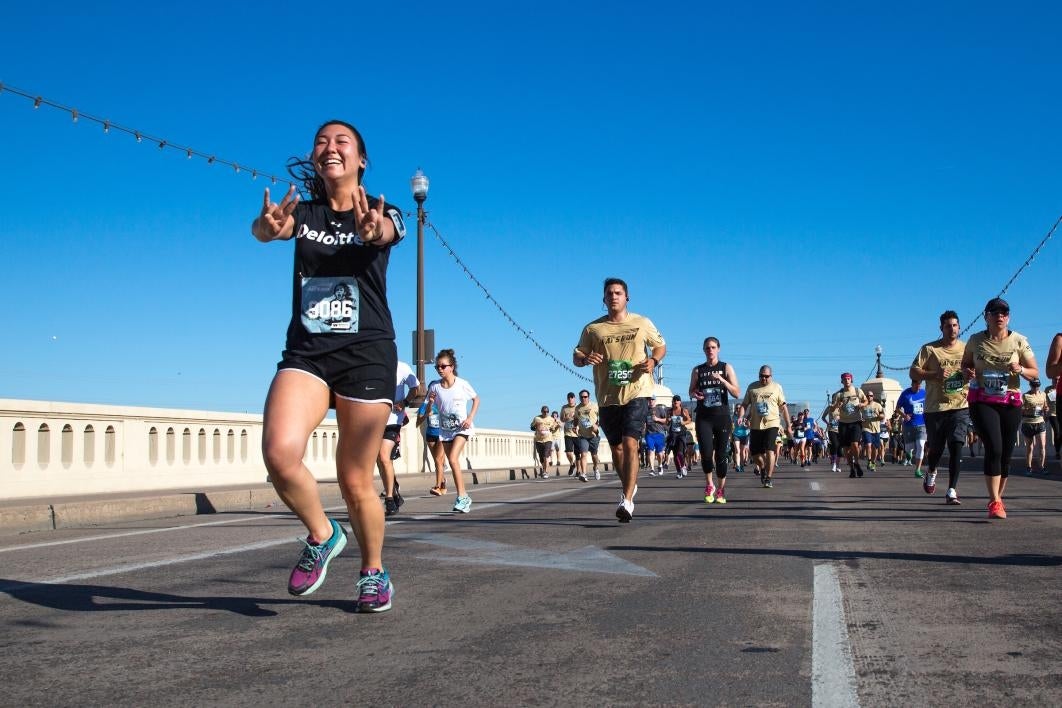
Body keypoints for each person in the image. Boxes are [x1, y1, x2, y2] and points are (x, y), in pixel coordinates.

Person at [252, 119, 405, 612]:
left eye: (342, 141)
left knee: (354, 478)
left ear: (361, 160)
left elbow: (386, 230)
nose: (330, 146)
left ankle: (373, 572)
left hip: (366, 353)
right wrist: (265, 228)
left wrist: (372, 228)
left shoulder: (385, 211)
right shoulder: (306, 212)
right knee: (279, 452)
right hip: (308, 352)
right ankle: (323, 533)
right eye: (322, 141)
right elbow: (267, 231)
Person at [573, 278, 666, 522]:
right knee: (616, 447)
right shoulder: (593, 329)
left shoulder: (642, 323)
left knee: (631, 443)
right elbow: (577, 354)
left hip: (637, 391)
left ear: (627, 298)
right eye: (609, 294)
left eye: (618, 293)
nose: (614, 296)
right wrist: (585, 359)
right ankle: (629, 485)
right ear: (604, 300)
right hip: (607, 396)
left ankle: (627, 500)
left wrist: (653, 361)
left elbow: (660, 346)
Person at [962, 298, 1039, 519]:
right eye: (994, 312)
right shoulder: (976, 340)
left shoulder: (1019, 341)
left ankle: (998, 499)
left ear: (1009, 317)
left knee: (1005, 453)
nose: (1000, 316)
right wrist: (968, 372)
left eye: (1004, 312)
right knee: (994, 448)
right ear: (986, 317)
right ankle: (994, 501)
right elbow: (965, 364)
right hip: (982, 400)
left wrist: (1021, 368)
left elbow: (1035, 372)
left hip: (1010, 401)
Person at [910, 310, 971, 505]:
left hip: (960, 405)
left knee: (956, 446)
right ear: (941, 328)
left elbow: (977, 369)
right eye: (947, 326)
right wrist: (935, 374)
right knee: (936, 448)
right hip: (935, 408)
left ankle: (952, 490)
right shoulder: (930, 349)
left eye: (954, 325)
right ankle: (932, 470)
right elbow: (914, 371)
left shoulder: (966, 348)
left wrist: (972, 373)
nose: (951, 329)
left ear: (959, 327)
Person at [428, 349, 481, 513]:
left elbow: (476, 399)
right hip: (445, 430)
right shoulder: (435, 386)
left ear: (451, 367)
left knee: (452, 458)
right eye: (437, 367)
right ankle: (464, 497)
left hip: (462, 428)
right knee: (452, 462)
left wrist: (470, 417)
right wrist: (430, 402)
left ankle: (462, 497)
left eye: (443, 366)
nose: (440, 369)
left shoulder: (462, 384)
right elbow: (429, 409)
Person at [740, 365, 792, 488]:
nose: (763, 379)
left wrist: (788, 425)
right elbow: (744, 404)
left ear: (771, 376)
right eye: (761, 376)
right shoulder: (752, 387)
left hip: (772, 423)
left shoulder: (777, 387)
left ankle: (768, 478)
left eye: (766, 376)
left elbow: (783, 408)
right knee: (755, 454)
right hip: (756, 425)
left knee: (770, 450)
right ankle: (763, 467)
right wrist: (742, 417)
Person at [379, 361, 419, 516]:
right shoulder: (373, 365)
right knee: (380, 461)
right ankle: (394, 492)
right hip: (374, 420)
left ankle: (389, 499)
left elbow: (416, 388)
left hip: (393, 420)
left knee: (384, 457)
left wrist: (405, 402)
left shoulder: (402, 367)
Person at [826, 373, 868, 478]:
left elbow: (866, 400)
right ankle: (852, 468)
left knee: (855, 444)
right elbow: (831, 409)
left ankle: (857, 463)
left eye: (848, 379)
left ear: (851, 380)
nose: (847, 381)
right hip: (843, 423)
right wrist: (836, 405)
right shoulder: (839, 394)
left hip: (856, 422)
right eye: (844, 379)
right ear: (842, 381)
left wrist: (862, 404)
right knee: (846, 448)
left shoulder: (858, 391)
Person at [895, 379, 928, 478]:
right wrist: (904, 415)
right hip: (909, 425)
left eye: (920, 384)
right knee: (910, 448)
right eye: (917, 384)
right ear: (912, 384)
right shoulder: (905, 394)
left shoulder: (924, 393)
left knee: (921, 445)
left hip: (922, 424)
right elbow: (897, 408)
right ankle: (908, 453)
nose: (919, 386)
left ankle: (917, 470)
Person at [418, 388, 448, 496]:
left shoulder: (443, 405)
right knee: (438, 462)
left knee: (437, 460)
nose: (434, 395)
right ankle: (443, 482)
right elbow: (418, 422)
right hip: (430, 435)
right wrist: (427, 414)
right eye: (432, 394)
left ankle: (438, 486)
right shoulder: (424, 406)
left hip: (441, 435)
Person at [1020, 379, 1048, 475]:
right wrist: (1028, 409)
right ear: (1030, 386)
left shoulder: (1043, 394)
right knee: (1030, 447)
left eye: (1037, 386)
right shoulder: (1025, 395)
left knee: (1042, 446)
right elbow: (1021, 411)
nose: (1036, 388)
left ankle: (1042, 466)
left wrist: (1046, 409)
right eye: (1034, 386)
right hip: (1028, 423)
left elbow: (1045, 406)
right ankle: (1029, 467)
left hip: (1040, 422)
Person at [574, 389, 601, 481]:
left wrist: (597, 426)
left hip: (593, 435)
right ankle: (584, 474)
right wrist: (575, 427)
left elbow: (601, 417)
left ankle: (596, 468)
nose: (583, 398)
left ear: (588, 397)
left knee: (594, 455)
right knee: (583, 454)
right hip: (583, 435)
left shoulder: (594, 406)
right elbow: (576, 419)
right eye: (581, 397)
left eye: (585, 397)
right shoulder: (577, 408)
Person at [531, 405, 559, 478]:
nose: (545, 413)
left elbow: (553, 428)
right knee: (541, 457)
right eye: (544, 411)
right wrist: (537, 427)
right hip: (539, 440)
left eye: (547, 412)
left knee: (546, 456)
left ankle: (545, 472)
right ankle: (544, 469)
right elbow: (531, 427)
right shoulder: (537, 418)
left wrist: (556, 426)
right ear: (541, 411)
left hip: (548, 439)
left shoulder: (551, 419)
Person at [1046, 332, 1062, 463]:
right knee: (1057, 432)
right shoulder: (1060, 339)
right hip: (1053, 412)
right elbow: (1049, 371)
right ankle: (1057, 451)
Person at [860, 391, 885, 471]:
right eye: (867, 396)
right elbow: (858, 415)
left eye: (870, 395)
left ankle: (873, 463)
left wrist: (878, 415)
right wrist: (860, 419)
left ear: (873, 396)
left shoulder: (878, 405)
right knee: (868, 444)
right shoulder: (863, 406)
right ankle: (869, 461)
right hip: (866, 428)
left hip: (876, 429)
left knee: (875, 448)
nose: (869, 397)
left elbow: (882, 416)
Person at [645, 396, 669, 476]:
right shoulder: (646, 410)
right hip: (649, 434)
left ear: (655, 401)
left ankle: (660, 465)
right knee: (650, 451)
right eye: (649, 400)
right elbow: (644, 422)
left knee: (659, 453)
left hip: (659, 433)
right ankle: (652, 469)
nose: (651, 401)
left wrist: (657, 419)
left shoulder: (659, 409)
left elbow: (666, 420)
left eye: (652, 400)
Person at [559, 392, 580, 476]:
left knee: (578, 454)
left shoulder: (578, 407)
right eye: (569, 398)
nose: (570, 399)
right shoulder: (564, 408)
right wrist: (567, 417)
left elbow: (583, 418)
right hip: (568, 433)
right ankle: (572, 464)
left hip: (578, 433)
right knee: (568, 452)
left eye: (572, 397)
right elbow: (561, 419)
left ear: (574, 398)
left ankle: (578, 471)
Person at [732, 403, 750, 473]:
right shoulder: (734, 416)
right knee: (737, 450)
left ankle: (742, 465)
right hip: (736, 434)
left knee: (742, 451)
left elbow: (749, 426)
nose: (738, 409)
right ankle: (738, 466)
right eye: (737, 408)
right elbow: (733, 425)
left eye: (739, 408)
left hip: (744, 435)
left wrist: (746, 425)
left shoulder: (745, 416)